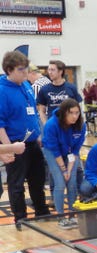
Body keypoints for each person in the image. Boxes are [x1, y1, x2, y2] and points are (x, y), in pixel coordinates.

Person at [0, 51, 50, 231]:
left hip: (32, 142)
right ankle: (20, 218)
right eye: (21, 70)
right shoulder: (2, 90)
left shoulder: (26, 85)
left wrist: (38, 136)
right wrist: (9, 149)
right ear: (9, 70)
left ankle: (42, 212)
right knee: (16, 184)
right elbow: (0, 124)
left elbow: (33, 112)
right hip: (15, 144)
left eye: (26, 70)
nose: (25, 73)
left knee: (38, 180)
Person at [42, 98, 86, 229]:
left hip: (70, 153)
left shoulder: (81, 125)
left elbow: (76, 150)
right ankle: (60, 217)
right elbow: (55, 150)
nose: (74, 116)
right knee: (60, 183)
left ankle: (72, 215)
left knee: (72, 184)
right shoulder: (51, 125)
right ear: (64, 113)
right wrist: (63, 169)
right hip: (52, 151)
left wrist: (70, 169)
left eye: (77, 113)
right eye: (71, 113)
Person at [37, 60, 83, 125]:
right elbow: (41, 110)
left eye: (52, 70)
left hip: (69, 125)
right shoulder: (44, 89)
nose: (50, 72)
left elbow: (79, 108)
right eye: (49, 70)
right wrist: (46, 124)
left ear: (60, 71)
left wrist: (78, 123)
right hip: (53, 125)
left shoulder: (71, 88)